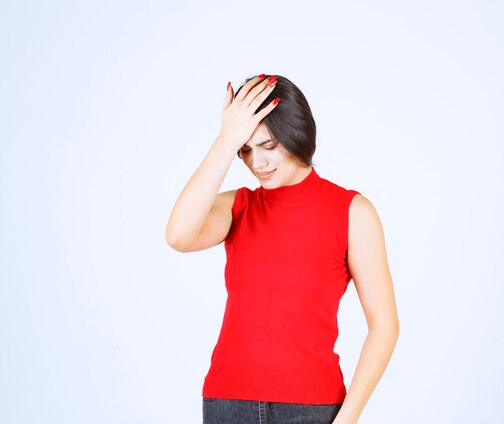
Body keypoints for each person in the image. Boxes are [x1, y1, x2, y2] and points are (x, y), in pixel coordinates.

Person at [165, 74, 399, 424]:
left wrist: (347, 419)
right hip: (228, 404)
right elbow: (178, 236)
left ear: (297, 133)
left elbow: (384, 324)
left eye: (269, 146)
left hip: (312, 410)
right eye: (245, 150)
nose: (256, 163)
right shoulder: (238, 207)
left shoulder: (353, 213)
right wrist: (225, 139)